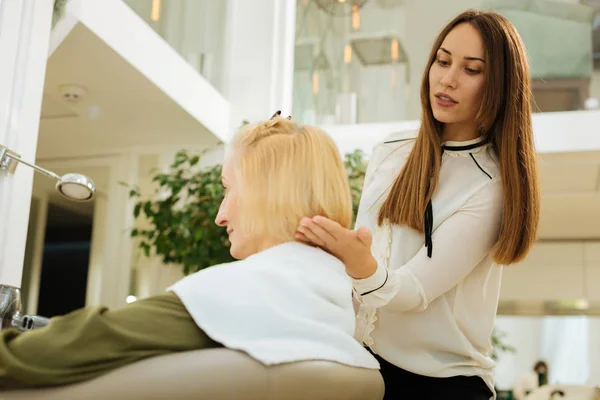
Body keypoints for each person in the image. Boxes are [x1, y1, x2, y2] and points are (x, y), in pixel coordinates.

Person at [0, 114, 378, 389]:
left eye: (229, 189)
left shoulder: (251, 289)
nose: (219, 215)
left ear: (267, 194)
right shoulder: (330, 302)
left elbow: (84, 340)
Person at [296, 9, 540, 400]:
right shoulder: (391, 150)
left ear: (499, 85)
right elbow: (359, 269)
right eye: (442, 61)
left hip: (444, 386)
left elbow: (411, 293)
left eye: (471, 69)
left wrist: (357, 262)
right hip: (365, 367)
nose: (447, 78)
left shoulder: (490, 186)